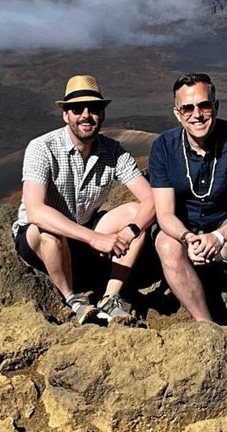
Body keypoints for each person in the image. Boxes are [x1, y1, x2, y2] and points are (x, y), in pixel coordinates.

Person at [12, 74, 155, 324]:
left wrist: (130, 231)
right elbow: (35, 210)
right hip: (38, 238)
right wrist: (95, 238)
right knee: (48, 231)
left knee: (137, 214)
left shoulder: (112, 150)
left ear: (103, 114)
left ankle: (110, 296)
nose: (86, 115)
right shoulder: (42, 147)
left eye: (94, 108)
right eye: (77, 109)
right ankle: (72, 299)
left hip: (82, 232)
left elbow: (151, 199)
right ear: (65, 114)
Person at [149, 72, 227, 323]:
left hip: (226, 233)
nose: (197, 114)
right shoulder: (164, 147)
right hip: (186, 234)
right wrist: (188, 238)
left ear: (216, 106)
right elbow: (165, 213)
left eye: (204, 105)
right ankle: (206, 325)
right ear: (177, 113)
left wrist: (219, 236)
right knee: (165, 244)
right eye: (187, 108)